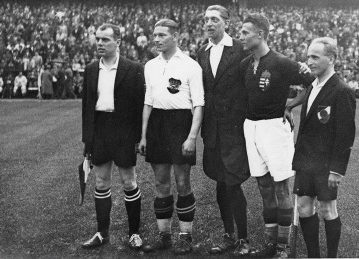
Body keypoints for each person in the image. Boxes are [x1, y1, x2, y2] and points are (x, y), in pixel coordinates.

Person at [239, 13, 313, 258]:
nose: (241, 36)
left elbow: (310, 84)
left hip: (274, 128)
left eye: (245, 32)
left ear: (260, 34)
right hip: (251, 127)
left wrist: (290, 105)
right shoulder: (245, 64)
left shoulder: (281, 62)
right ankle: (271, 243)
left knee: (281, 187)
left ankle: (283, 246)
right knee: (263, 186)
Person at [138, 19, 204, 255]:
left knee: (182, 182)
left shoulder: (190, 66)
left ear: (176, 36)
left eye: (162, 35)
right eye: (154, 35)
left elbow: (198, 105)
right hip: (157, 124)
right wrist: (143, 136)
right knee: (160, 182)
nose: (156, 39)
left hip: (180, 125)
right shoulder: (150, 65)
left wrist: (191, 137)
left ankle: (185, 237)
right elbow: (147, 102)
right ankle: (164, 236)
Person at [81, 23, 145, 250]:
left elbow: (139, 106)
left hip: (124, 132)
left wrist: (139, 137)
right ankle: (102, 233)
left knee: (129, 181)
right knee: (100, 182)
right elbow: (87, 107)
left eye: (105, 39)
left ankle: (134, 233)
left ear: (118, 41)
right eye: (97, 39)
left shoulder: (134, 67)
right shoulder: (90, 69)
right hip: (100, 130)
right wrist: (87, 140)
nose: (99, 43)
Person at [292, 37, 356, 258]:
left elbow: (345, 135)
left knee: (328, 210)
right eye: (308, 56)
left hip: (326, 164)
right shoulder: (313, 86)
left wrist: (337, 170)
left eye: (315, 57)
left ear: (331, 59)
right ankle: (313, 255)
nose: (309, 61)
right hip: (306, 161)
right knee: (304, 207)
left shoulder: (341, 91)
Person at [196, 5, 250, 256]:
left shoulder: (240, 48)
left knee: (233, 182)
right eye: (206, 19)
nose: (209, 23)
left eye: (214, 19)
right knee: (221, 181)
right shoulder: (201, 52)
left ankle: (244, 238)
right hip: (212, 129)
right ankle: (229, 234)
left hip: (235, 128)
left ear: (226, 23)